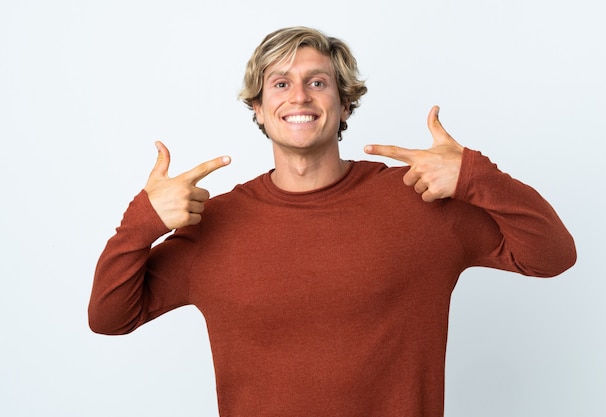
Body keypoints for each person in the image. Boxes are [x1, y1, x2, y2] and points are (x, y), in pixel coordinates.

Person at [88, 26, 576, 417]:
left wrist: (473, 174)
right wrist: (144, 222)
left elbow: (552, 255)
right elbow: (110, 318)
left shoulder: (419, 202)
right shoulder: (214, 224)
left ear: (345, 104)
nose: (298, 96)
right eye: (280, 83)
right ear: (258, 108)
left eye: (317, 82)